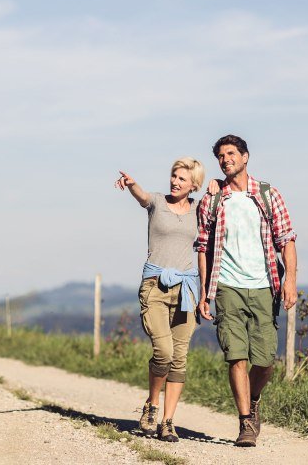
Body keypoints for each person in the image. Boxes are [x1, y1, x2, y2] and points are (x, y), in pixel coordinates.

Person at [196, 134, 298, 447]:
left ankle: (253, 399)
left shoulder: (268, 194)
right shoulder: (212, 200)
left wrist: (290, 279)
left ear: (245, 157)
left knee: (266, 359)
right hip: (226, 285)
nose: (225, 160)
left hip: (265, 285)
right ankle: (245, 424)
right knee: (236, 356)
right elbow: (202, 247)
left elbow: (287, 240)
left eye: (231, 154)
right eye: (221, 156)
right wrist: (204, 292)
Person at [114, 158, 206, 443]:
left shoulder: (199, 209)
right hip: (155, 286)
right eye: (174, 176)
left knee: (179, 359)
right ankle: (152, 405)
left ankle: (168, 421)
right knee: (163, 351)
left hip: (186, 289)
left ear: (193, 185)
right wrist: (131, 184)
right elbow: (141, 196)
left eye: (182, 179)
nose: (175, 182)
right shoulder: (156, 201)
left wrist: (204, 294)